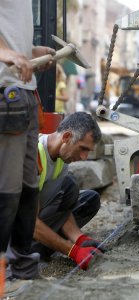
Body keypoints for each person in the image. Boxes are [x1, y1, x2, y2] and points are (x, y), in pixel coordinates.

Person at [0, 0, 55, 288]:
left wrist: (31, 54)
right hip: (5, 93)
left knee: (27, 189)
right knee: (6, 190)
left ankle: (21, 265)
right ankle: (2, 272)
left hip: (25, 94)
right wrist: (7, 54)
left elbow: (8, 36)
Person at [27, 112, 103, 272]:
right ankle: (31, 250)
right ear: (67, 137)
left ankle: (38, 247)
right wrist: (73, 251)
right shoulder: (31, 158)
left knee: (86, 198)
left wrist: (80, 239)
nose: (84, 157)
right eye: (83, 148)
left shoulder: (61, 159)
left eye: (88, 151)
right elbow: (30, 223)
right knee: (70, 186)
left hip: (30, 221)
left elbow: (62, 207)